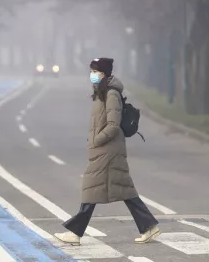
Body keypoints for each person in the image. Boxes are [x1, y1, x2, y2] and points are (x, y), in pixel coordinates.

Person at [54, 57, 160, 246]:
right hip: (105, 150)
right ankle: (149, 226)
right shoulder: (102, 93)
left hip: (108, 151)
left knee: (92, 188)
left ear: (105, 74)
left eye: (96, 72)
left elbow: (113, 125)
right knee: (123, 190)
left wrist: (96, 140)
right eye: (91, 71)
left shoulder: (111, 94)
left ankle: (75, 233)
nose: (92, 75)